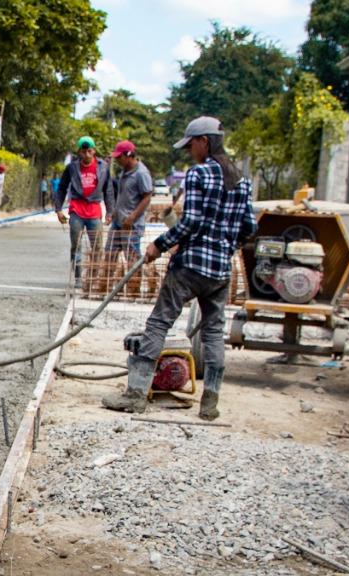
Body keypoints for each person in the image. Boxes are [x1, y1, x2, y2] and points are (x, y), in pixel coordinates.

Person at [102, 116, 255, 421]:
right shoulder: (241, 179)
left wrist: (159, 245)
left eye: (191, 145)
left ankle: (136, 395)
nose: (190, 152)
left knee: (159, 323)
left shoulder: (199, 174)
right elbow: (249, 226)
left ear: (205, 142)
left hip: (189, 267)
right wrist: (225, 246)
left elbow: (191, 222)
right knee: (213, 332)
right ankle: (210, 401)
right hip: (220, 271)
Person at [54, 136, 109, 285]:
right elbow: (62, 188)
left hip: (94, 211)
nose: (86, 155)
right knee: (76, 245)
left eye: (89, 151)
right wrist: (58, 209)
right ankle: (78, 277)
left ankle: (93, 277)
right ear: (79, 152)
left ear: (94, 151)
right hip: (76, 210)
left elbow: (108, 190)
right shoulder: (72, 168)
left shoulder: (103, 167)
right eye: (83, 152)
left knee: (97, 246)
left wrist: (110, 212)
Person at [104, 140, 154, 278]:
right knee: (109, 254)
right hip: (118, 222)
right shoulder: (124, 171)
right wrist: (114, 212)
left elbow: (147, 197)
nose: (117, 160)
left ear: (129, 155)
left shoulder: (141, 173)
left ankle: (133, 289)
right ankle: (106, 286)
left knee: (131, 259)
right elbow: (123, 195)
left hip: (131, 225)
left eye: (119, 157)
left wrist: (132, 217)